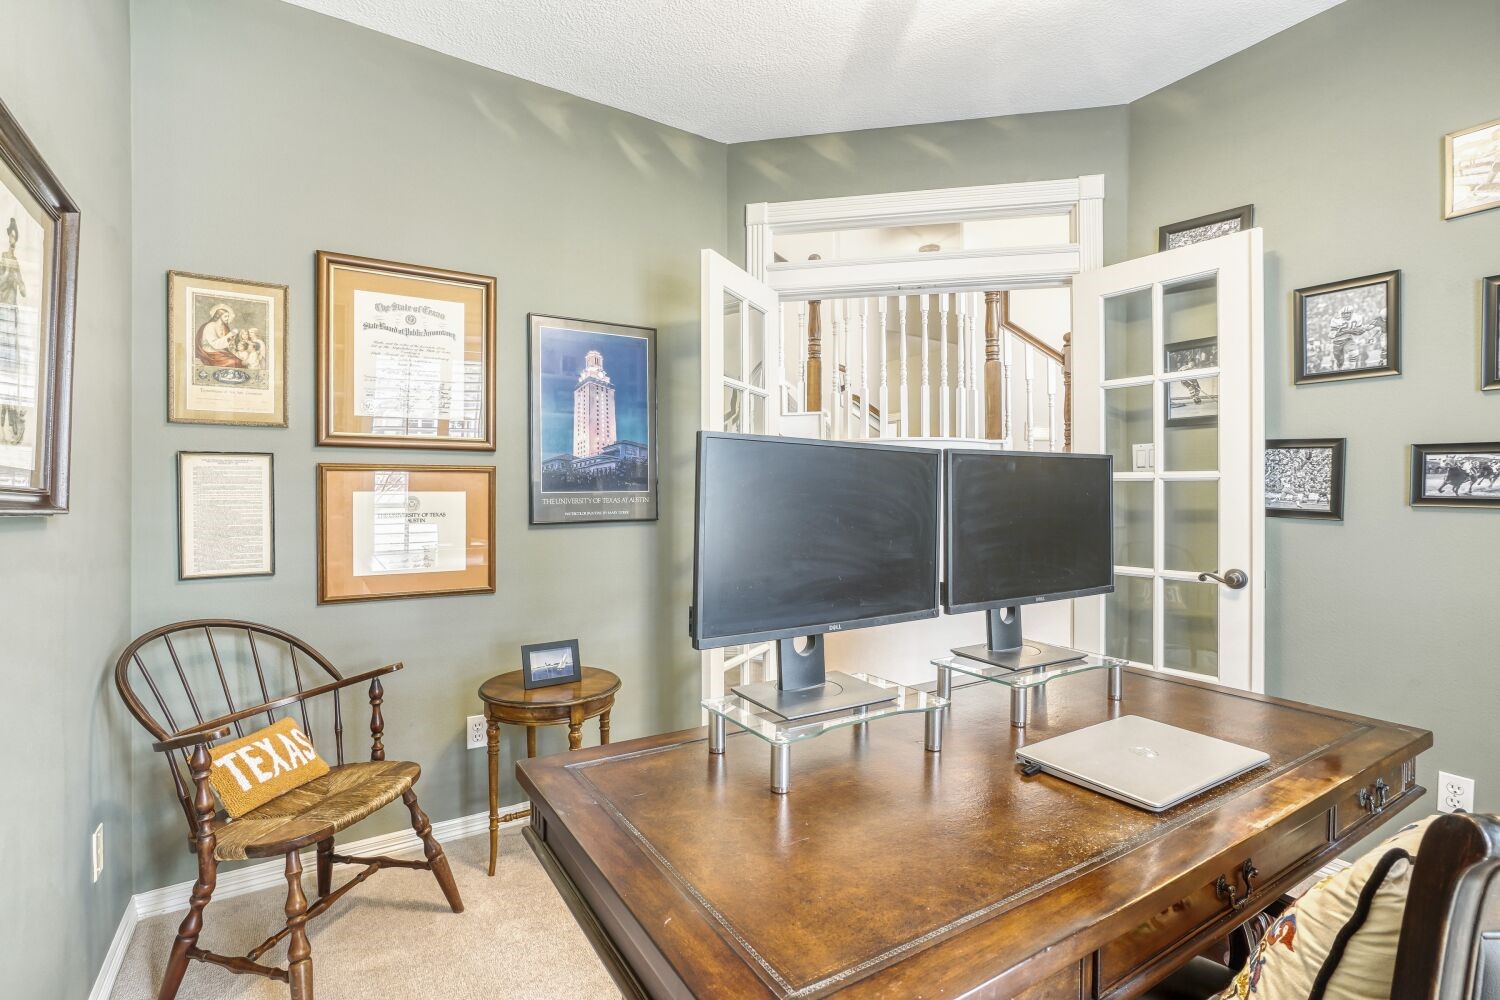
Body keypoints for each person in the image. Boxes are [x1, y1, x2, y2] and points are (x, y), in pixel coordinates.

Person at [195, 303, 243, 368]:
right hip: (209, 352)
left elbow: (228, 343)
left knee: (239, 361)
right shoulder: (210, 326)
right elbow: (214, 344)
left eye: (228, 316)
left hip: (220, 350)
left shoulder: (224, 327)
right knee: (233, 362)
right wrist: (229, 335)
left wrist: (233, 339)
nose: (227, 318)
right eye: (225, 316)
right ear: (219, 316)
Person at [0, 217, 26, 307]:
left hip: (12, 305)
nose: (12, 240)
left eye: (14, 237)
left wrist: (21, 285)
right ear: (9, 238)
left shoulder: (15, 262)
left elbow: (23, 293)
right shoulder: (3, 257)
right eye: (11, 236)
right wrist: (7, 271)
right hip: (3, 304)